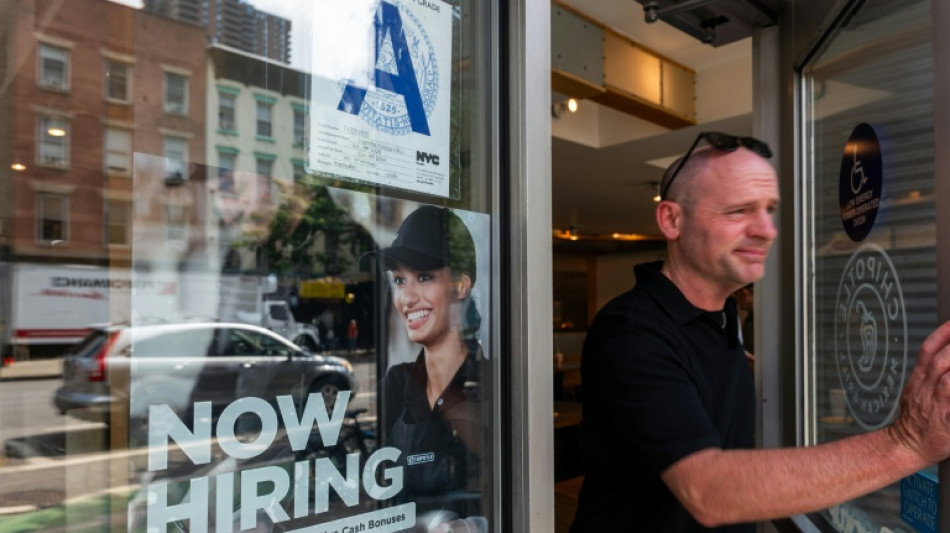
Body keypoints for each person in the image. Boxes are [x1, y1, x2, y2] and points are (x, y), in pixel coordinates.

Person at [570, 131, 950, 532]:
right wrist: (904, 443)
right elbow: (708, 490)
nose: (766, 230)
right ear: (671, 220)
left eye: (769, 209)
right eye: (738, 211)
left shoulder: (721, 313)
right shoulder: (631, 332)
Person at [364, 205, 488, 533]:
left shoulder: (490, 384)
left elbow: (514, 495)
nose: (407, 297)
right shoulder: (395, 385)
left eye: (424, 277)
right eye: (400, 280)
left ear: (461, 286)